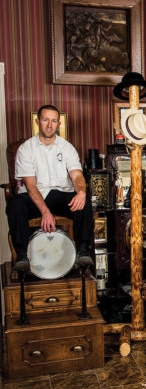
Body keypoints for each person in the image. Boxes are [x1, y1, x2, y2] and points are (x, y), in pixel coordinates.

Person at [7, 105, 93, 271]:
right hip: (35, 196)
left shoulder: (67, 148)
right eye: (45, 120)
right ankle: (22, 255)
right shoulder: (26, 149)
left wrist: (82, 192)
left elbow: (77, 176)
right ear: (37, 121)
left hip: (60, 195)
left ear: (58, 124)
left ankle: (83, 251)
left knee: (84, 201)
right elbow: (30, 186)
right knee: (15, 204)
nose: (49, 125)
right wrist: (45, 212)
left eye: (53, 121)